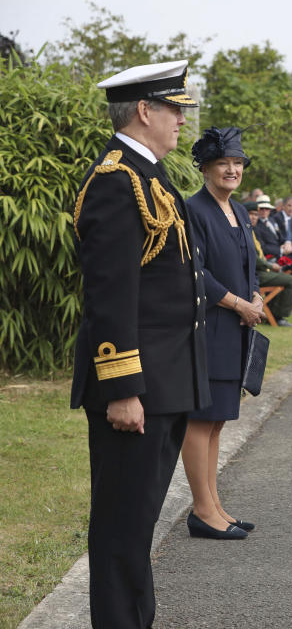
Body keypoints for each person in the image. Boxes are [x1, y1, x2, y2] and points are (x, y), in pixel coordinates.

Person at [71, 59, 210, 628]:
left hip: (166, 381)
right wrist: (123, 388)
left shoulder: (150, 172)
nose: (182, 119)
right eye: (175, 108)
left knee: (138, 523)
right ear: (145, 111)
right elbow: (111, 294)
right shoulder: (116, 180)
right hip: (137, 389)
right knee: (123, 526)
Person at [183, 127, 265, 540]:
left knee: (217, 423)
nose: (233, 169)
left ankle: (213, 505)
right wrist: (239, 303)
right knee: (200, 420)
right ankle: (201, 510)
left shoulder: (240, 210)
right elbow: (194, 273)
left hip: (235, 330)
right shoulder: (193, 209)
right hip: (208, 329)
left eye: (238, 163)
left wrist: (255, 296)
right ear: (206, 168)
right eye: (224, 164)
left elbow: (247, 264)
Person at [246, 202, 292, 326]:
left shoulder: (250, 230)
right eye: (251, 214)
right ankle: (278, 316)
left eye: (255, 215)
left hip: (263, 268)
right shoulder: (245, 232)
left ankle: (274, 311)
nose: (254, 217)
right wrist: (270, 265)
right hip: (256, 274)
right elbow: (252, 258)